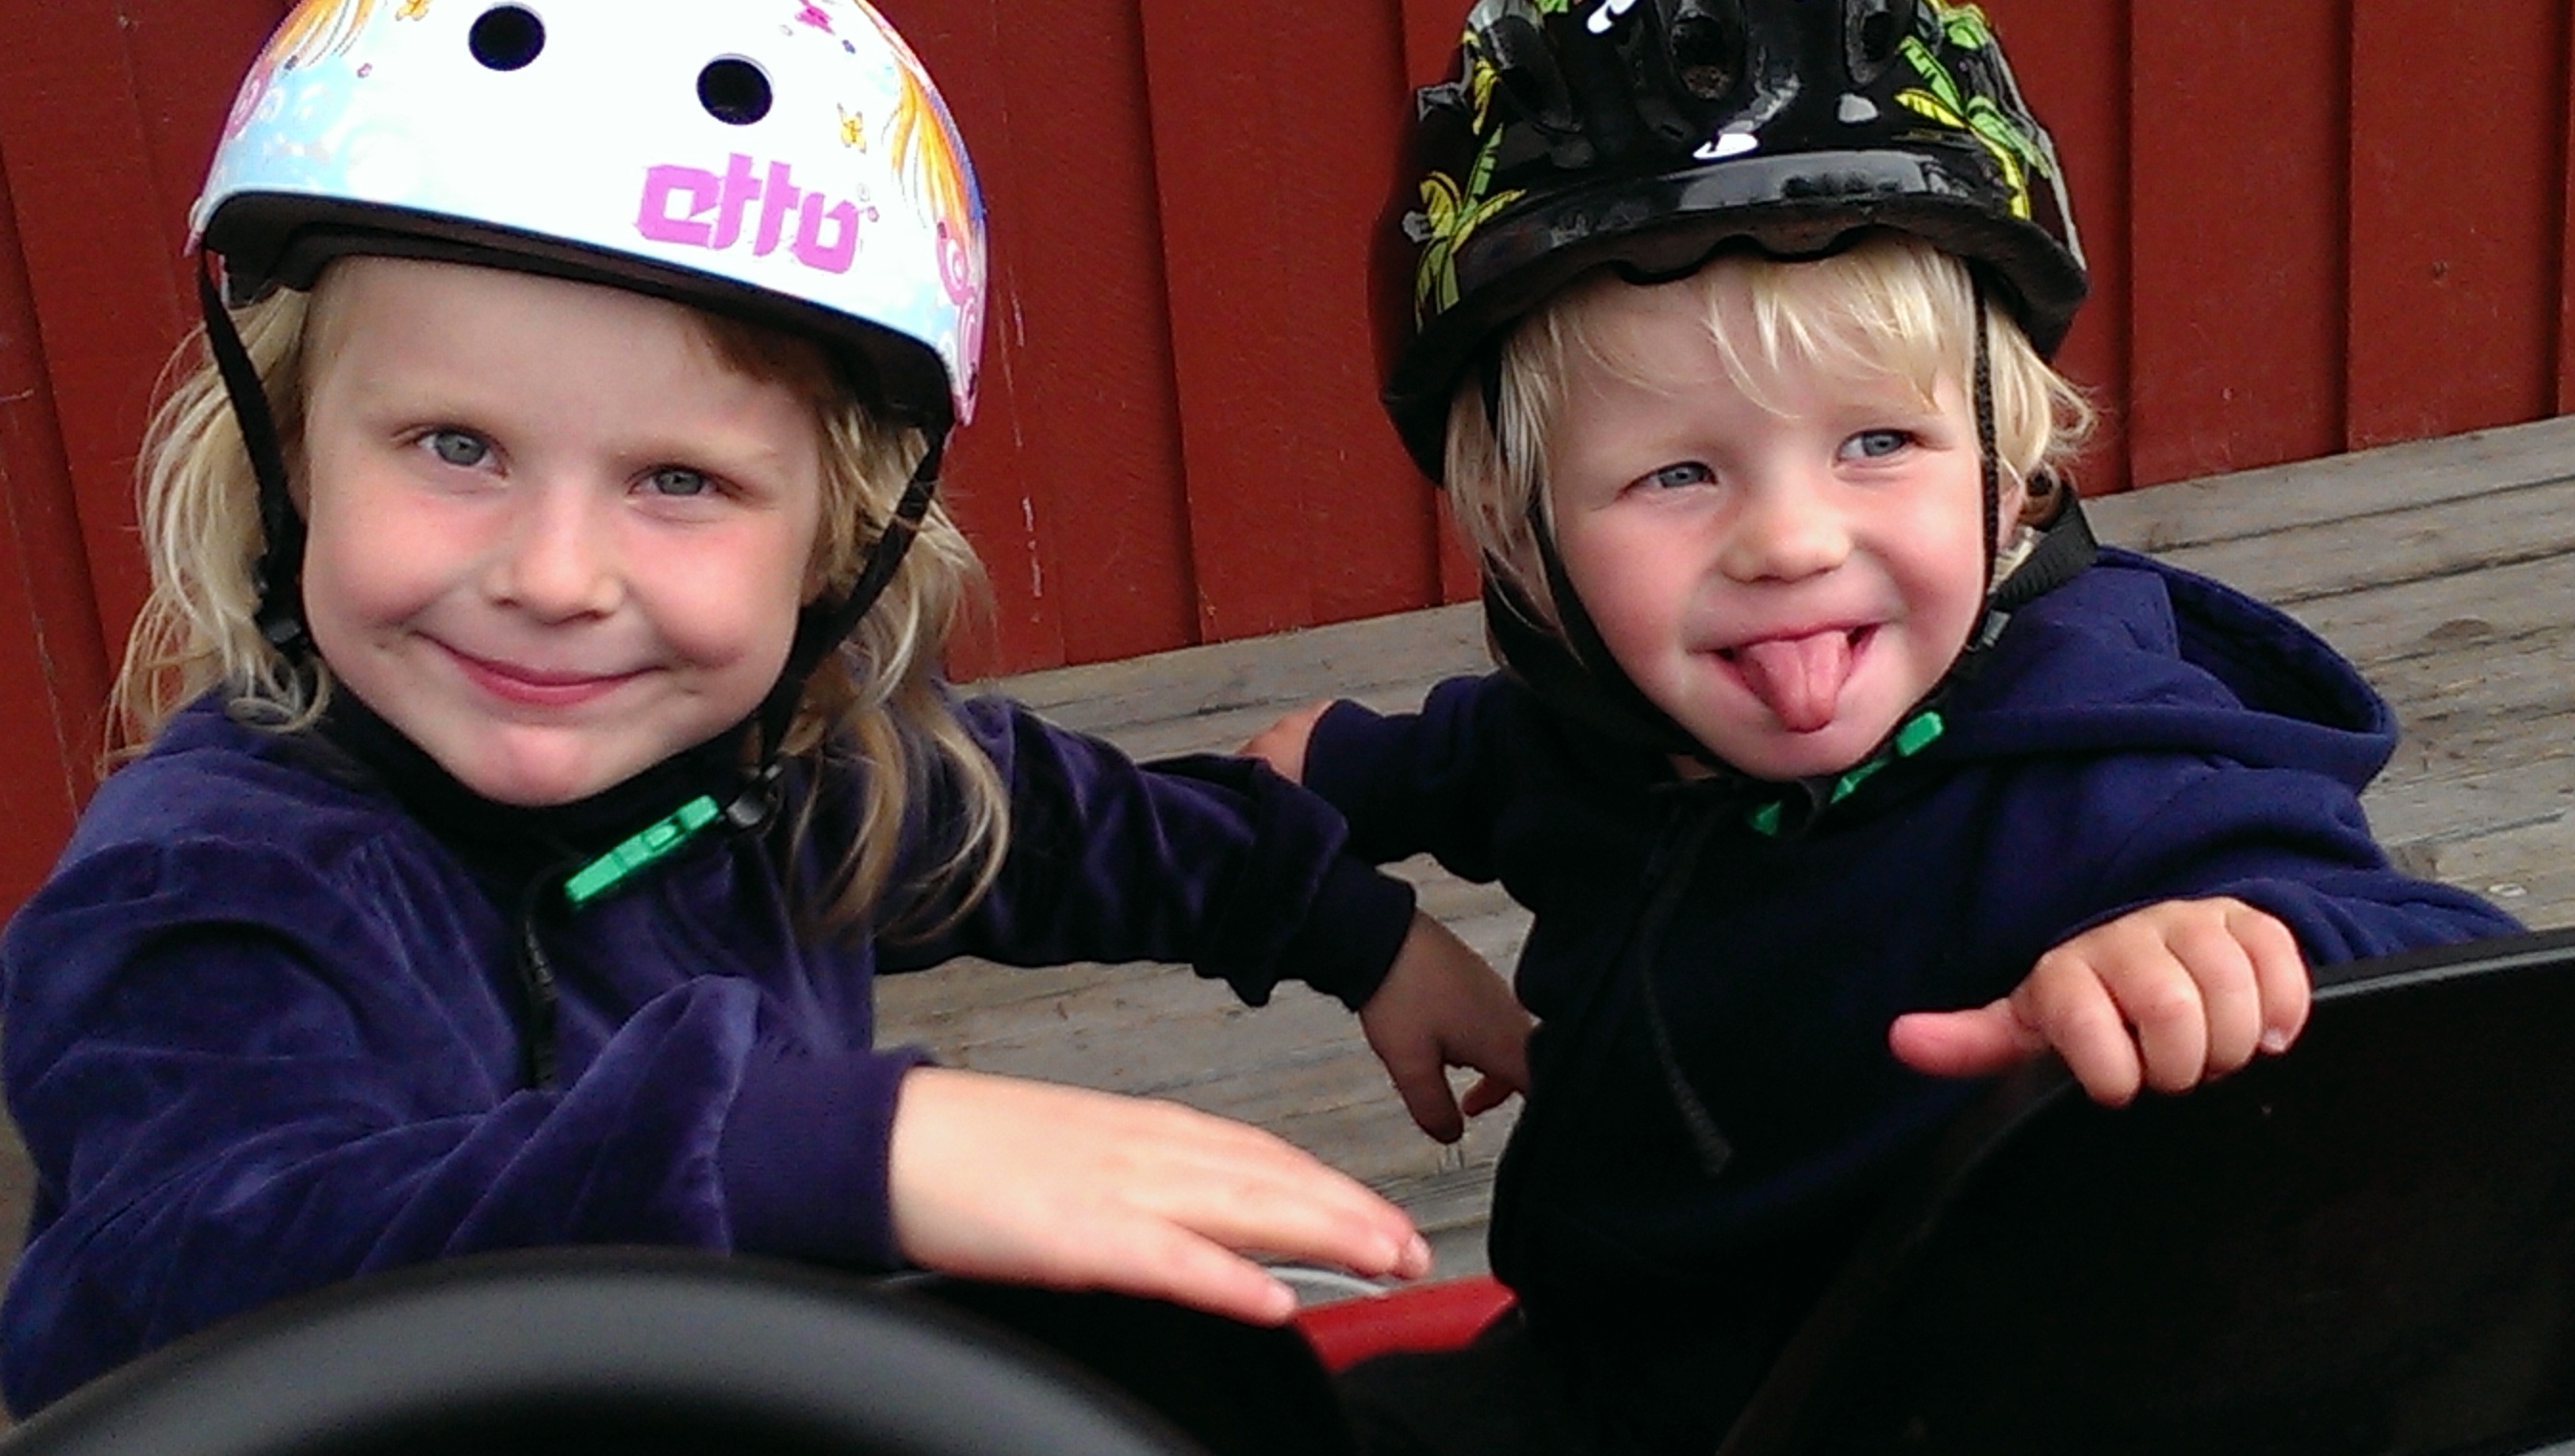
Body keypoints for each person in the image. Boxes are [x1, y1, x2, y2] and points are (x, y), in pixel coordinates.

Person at [0, 0, 1531, 1426]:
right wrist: (805, 1150)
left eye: (679, 480)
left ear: (834, 539)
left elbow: (1030, 818)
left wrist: (1346, 924)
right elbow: (160, 1280)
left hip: (769, 1395)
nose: (554, 575)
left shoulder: (777, 769)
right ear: (291, 451)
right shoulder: (208, 893)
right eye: (456, 446)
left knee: (1205, 1368)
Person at [1241, 3, 2525, 1452]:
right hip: (1613, 1371)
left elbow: (2461, 990)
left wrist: (2249, 945)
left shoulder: (2113, 789)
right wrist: (1327, 822)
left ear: (2010, 472)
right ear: (1521, 542)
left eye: (1878, 442)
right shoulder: (1604, 734)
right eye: (1676, 474)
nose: (1791, 540)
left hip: (1935, 1406)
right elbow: (1435, 766)